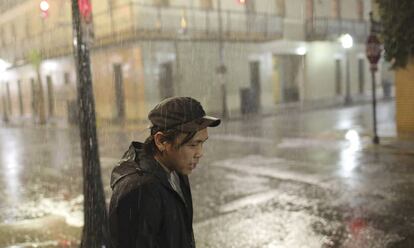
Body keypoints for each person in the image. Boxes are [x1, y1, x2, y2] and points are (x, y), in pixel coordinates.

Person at [109, 96, 220, 248]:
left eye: (202, 143)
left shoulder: (176, 170)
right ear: (161, 141)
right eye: (193, 144)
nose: (200, 153)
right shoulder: (138, 190)